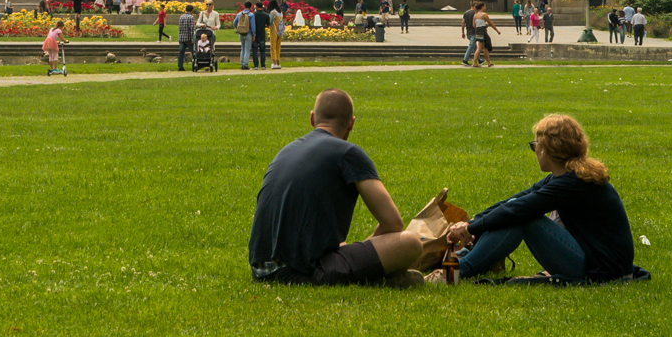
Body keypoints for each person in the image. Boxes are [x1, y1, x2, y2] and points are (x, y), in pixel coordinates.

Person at [248, 89, 441, 288]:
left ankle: (379, 275)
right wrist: (367, 252)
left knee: (342, 246)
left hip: (260, 269)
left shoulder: (286, 151)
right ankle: (378, 278)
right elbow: (393, 223)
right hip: (302, 272)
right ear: (351, 123)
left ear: (312, 118)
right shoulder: (348, 153)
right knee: (410, 243)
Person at [442, 114, 642, 285]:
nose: (535, 151)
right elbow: (513, 201)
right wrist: (472, 224)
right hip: (598, 264)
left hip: (601, 271)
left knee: (526, 217)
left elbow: (520, 209)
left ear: (547, 148)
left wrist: (469, 229)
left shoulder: (572, 184)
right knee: (516, 210)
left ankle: (457, 272)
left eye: (534, 145)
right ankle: (462, 262)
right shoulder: (564, 177)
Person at [234, 2, 255, 69]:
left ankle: (242, 62)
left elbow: (235, 22)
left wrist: (238, 28)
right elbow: (252, 26)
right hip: (248, 33)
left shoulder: (240, 14)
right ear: (251, 7)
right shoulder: (251, 15)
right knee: (247, 49)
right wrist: (254, 34)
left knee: (242, 48)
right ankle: (245, 64)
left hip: (241, 33)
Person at [176, 3, 197, 71]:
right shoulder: (191, 17)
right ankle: (195, 64)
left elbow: (180, 28)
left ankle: (180, 66)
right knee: (193, 52)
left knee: (181, 52)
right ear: (192, 10)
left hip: (181, 37)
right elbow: (191, 28)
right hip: (188, 38)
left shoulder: (181, 17)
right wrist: (192, 38)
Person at [266, 0, 284, 68]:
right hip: (280, 31)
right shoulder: (280, 12)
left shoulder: (272, 12)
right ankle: (278, 62)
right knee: (278, 47)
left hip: (274, 30)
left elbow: (270, 21)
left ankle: (275, 63)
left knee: (273, 47)